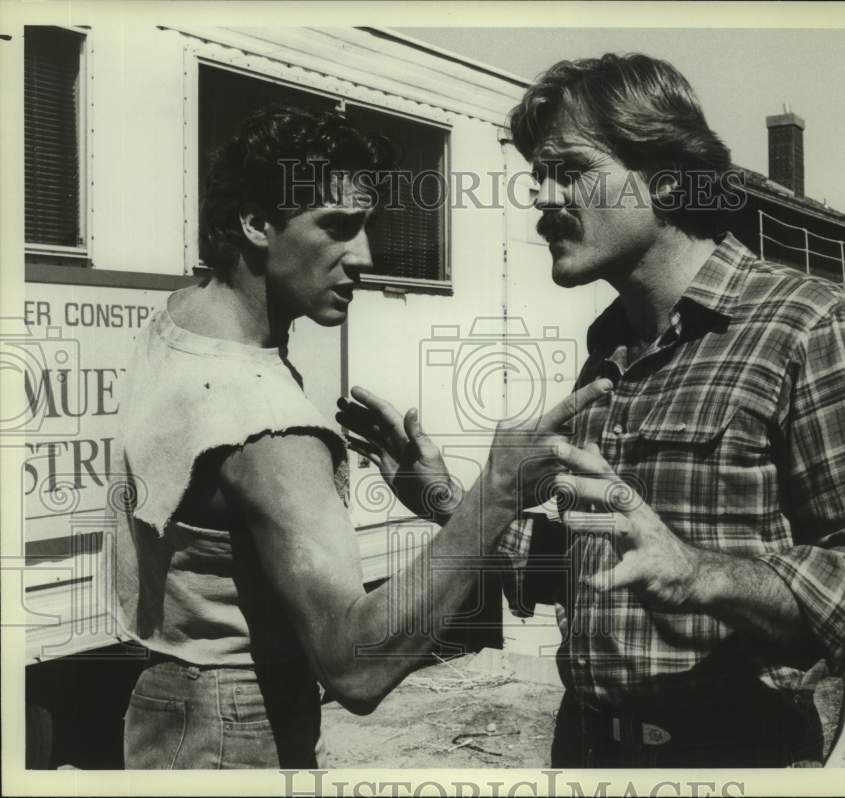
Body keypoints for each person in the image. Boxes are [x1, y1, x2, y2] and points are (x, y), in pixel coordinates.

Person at [342, 54, 845, 767]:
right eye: (538, 176)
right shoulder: (610, 352)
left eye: (569, 169)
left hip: (738, 759)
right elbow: (590, 569)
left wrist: (702, 573)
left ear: (665, 174)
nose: (542, 198)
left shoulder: (806, 326)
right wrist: (441, 498)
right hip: (589, 751)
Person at [109, 105, 610, 769]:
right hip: (236, 729)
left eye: (367, 225)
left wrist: (435, 496)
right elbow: (355, 667)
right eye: (337, 227)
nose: (365, 257)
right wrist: (495, 493)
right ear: (257, 223)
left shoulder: (182, 322)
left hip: (165, 707)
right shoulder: (271, 428)